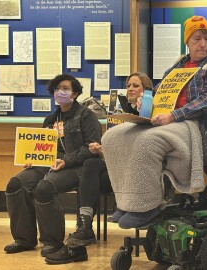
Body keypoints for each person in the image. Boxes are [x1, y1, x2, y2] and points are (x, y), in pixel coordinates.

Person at [102, 15, 207, 229]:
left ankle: (147, 206)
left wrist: (174, 115)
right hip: (166, 120)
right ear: (187, 42)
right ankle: (127, 202)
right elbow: (161, 93)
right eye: (197, 39)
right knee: (112, 136)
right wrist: (144, 108)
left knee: (148, 142)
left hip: (192, 123)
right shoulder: (178, 66)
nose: (203, 44)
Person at [46, 72, 154, 265]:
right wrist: (103, 149)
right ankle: (85, 225)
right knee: (92, 163)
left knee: (90, 164)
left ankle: (84, 226)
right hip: (114, 170)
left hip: (138, 172)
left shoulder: (153, 115)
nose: (130, 88)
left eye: (136, 86)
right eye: (128, 85)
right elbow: (114, 150)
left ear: (146, 91)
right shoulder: (119, 115)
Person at [3, 74, 102, 263]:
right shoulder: (50, 119)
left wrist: (66, 160)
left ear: (75, 93)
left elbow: (91, 147)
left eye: (65, 88)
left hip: (77, 166)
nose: (60, 92)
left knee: (44, 188)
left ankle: (52, 241)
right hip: (50, 164)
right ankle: (24, 239)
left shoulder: (86, 115)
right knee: (15, 183)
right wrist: (32, 158)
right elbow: (44, 147)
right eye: (57, 88)